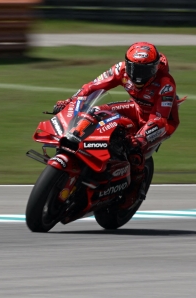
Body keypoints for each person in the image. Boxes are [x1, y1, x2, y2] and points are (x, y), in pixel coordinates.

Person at [52, 42, 185, 206]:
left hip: (160, 123)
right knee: (96, 112)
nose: (138, 76)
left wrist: (141, 138)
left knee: (135, 150)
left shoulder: (166, 83)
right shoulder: (120, 69)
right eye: (134, 68)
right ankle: (74, 136)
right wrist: (70, 102)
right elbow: (92, 87)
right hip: (136, 109)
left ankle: (135, 190)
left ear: (155, 68)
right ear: (127, 64)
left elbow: (159, 118)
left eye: (145, 71)